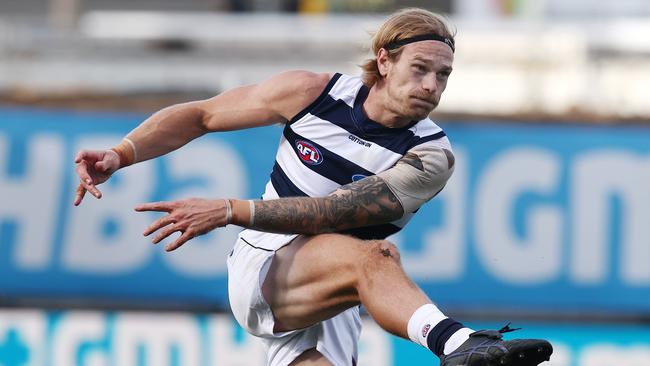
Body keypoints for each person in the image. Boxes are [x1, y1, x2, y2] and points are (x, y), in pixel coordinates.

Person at [73, 8, 553, 366]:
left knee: (364, 258)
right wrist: (123, 153)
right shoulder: (313, 93)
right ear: (384, 61)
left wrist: (227, 208)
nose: (431, 85)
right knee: (378, 257)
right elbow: (202, 115)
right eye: (420, 69)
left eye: (443, 75)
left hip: (335, 289)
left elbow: (330, 214)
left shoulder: (431, 155)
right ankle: (457, 343)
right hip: (265, 264)